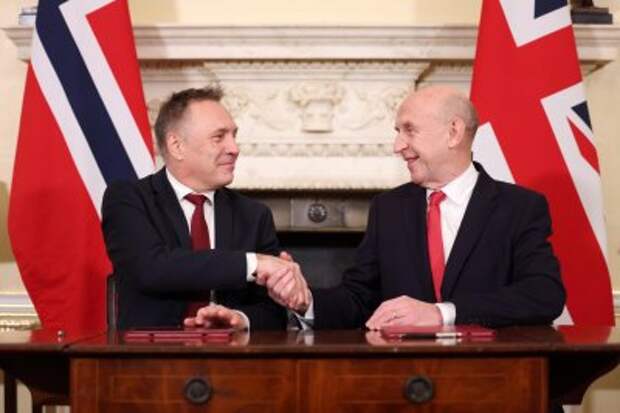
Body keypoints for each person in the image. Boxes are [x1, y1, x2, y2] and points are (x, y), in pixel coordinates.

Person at [248, 85, 566, 330]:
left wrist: (441, 313)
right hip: (406, 377)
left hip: (494, 378)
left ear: (453, 132)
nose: (397, 146)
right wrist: (305, 301)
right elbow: (358, 298)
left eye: (409, 130)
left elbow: (543, 294)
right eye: (397, 132)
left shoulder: (519, 208)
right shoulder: (388, 208)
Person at [102, 86, 307, 330]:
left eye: (233, 135)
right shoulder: (128, 199)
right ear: (177, 146)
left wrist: (240, 318)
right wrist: (253, 264)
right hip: (152, 352)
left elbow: (274, 313)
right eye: (219, 137)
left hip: (231, 352)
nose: (234, 148)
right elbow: (152, 268)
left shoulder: (253, 215)